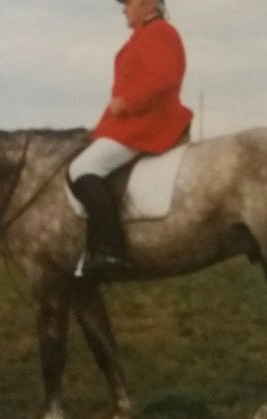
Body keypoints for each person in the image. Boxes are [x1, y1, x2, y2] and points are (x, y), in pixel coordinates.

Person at [69, 0, 193, 276]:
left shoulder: (159, 32)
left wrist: (128, 101)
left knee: (81, 169)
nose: (123, 9)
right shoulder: (145, 34)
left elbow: (165, 79)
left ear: (146, 3)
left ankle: (111, 251)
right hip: (134, 121)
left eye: (127, 3)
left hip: (149, 123)